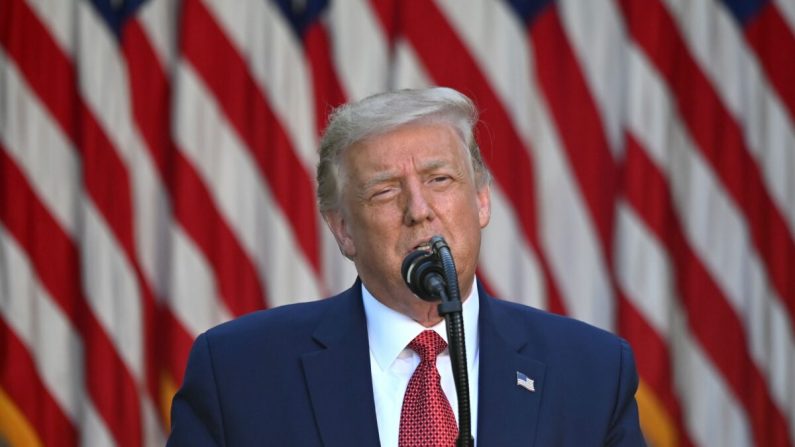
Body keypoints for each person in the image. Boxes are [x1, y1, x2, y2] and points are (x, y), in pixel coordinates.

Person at [167, 87, 646, 446]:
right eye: (384, 190)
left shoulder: (591, 372)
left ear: (481, 201)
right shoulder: (238, 373)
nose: (419, 209)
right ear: (342, 229)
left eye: (440, 179)